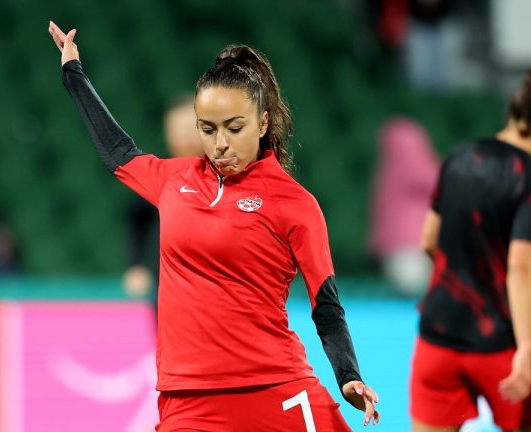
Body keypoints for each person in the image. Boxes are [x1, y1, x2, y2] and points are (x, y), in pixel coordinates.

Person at [48, 21, 379, 431]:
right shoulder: (174, 180)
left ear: (262, 123)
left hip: (276, 390)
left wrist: (349, 377)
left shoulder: (295, 203)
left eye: (234, 128)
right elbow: (118, 152)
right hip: (187, 399)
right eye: (208, 129)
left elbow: (325, 304)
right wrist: (74, 74)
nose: (220, 144)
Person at [410, 65, 531, 432]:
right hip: (500, 342)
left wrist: (462, 282)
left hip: (437, 338)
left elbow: (428, 240)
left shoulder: (459, 157)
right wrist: (527, 351)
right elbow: (521, 268)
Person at [123, 95, 203, 307]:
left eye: (191, 127)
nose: (185, 136)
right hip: (167, 283)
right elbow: (136, 222)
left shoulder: (226, 173)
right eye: (178, 129)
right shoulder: (157, 175)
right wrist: (137, 265)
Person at [369, 116, 439, 296]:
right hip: (409, 248)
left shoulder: (387, 174)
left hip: (402, 249)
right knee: (414, 289)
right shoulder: (411, 170)